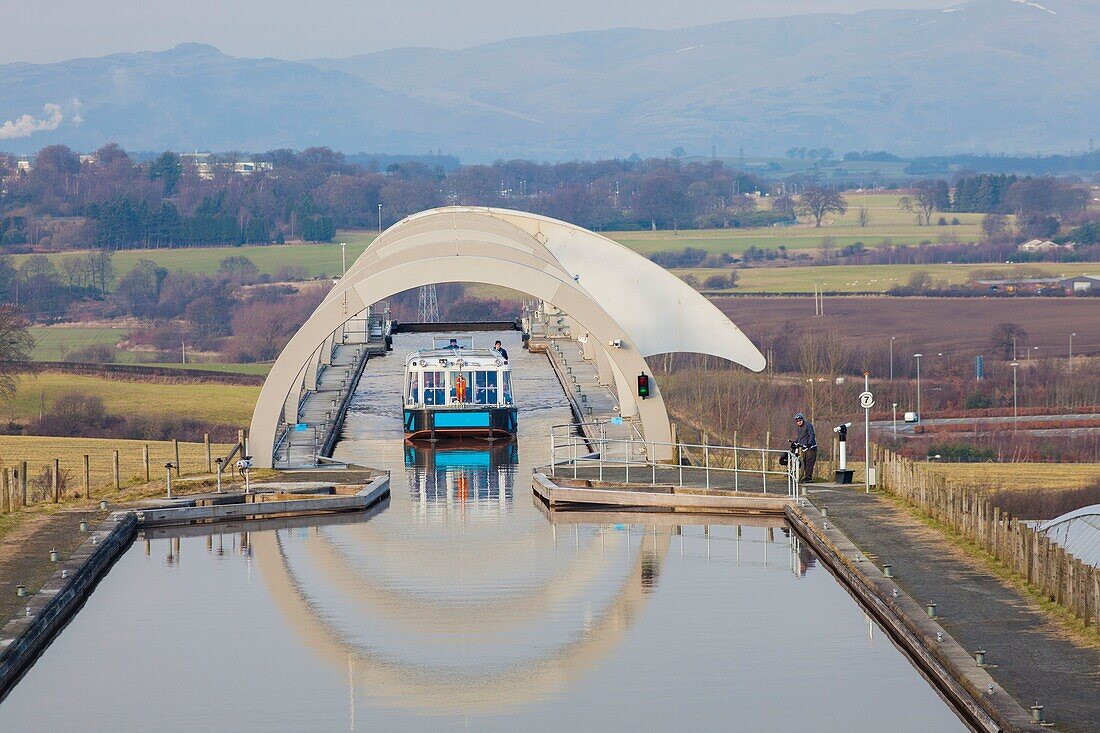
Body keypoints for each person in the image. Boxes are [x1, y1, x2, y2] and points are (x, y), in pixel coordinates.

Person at [793, 412, 817, 483]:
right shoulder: (799, 428)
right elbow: (800, 437)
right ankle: (805, 476)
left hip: (811, 447)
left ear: (802, 419)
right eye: (797, 421)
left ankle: (808, 477)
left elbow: (812, 435)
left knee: (809, 462)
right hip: (804, 448)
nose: (799, 422)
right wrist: (795, 442)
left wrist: (809, 443)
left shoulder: (808, 425)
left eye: (800, 420)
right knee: (804, 462)